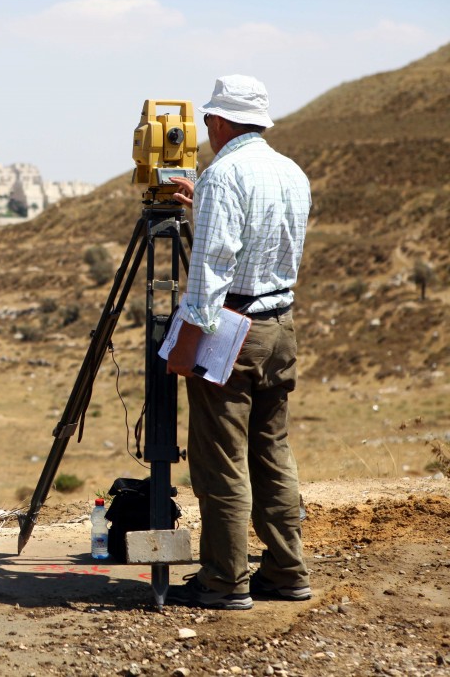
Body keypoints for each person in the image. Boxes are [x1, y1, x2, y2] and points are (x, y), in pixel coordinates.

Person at [166, 75, 312, 610]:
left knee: (221, 460)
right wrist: (201, 205)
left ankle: (224, 582)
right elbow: (257, 243)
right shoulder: (290, 172)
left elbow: (211, 270)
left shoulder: (223, 175)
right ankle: (287, 571)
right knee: (272, 452)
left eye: (207, 122)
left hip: (231, 331)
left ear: (219, 122)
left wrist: (185, 344)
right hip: (279, 328)